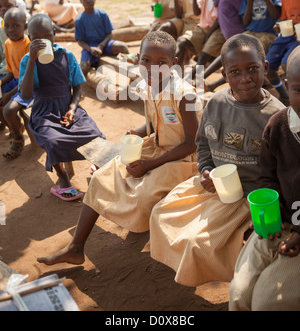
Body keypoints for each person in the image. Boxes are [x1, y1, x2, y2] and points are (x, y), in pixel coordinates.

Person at [36, 30, 202, 265]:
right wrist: (138, 131)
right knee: (102, 177)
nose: (152, 68)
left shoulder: (184, 95)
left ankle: (151, 234)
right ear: (137, 59)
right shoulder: (148, 87)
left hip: (184, 160)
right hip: (157, 148)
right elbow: (156, 123)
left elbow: (191, 142)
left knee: (143, 194)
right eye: (146, 61)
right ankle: (75, 247)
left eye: (161, 63)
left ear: (174, 64)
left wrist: (149, 165)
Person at [149, 34, 284, 288]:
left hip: (247, 198)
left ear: (265, 68)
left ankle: (240, 280)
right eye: (235, 72)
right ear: (225, 74)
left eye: (253, 69)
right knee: (160, 214)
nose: (245, 79)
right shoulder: (216, 103)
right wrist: (206, 170)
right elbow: (202, 145)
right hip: (213, 187)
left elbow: (282, 172)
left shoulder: (275, 116)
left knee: (197, 242)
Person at [229, 45, 300, 311]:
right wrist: (267, 216)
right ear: (285, 84)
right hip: (279, 224)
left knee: (267, 303)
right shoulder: (278, 126)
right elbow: (267, 176)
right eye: (299, 90)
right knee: (239, 294)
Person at [19, 13, 105, 200]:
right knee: (52, 141)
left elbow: (77, 87)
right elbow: (25, 95)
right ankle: (63, 179)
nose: (43, 42)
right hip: (44, 111)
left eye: (47, 36)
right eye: (36, 39)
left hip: (67, 106)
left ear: (54, 34)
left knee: (93, 132)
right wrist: (33, 60)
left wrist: (72, 109)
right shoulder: (27, 60)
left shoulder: (66, 55)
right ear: (29, 39)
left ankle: (97, 163)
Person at [202, 0, 246, 92]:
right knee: (239, 64)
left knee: (227, 57)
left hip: (227, 32)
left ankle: (201, 80)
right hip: (237, 32)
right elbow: (245, 16)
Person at [179, 0, 225, 78]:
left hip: (217, 30)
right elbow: (197, 12)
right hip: (204, 27)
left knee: (203, 56)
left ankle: (190, 79)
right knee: (182, 41)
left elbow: (220, 18)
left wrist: (208, 34)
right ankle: (175, 72)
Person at [265, 0, 300, 105]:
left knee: (288, 64)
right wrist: (279, 26)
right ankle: (284, 94)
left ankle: (295, 99)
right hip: (286, 36)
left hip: (298, 40)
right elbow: (284, 19)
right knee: (268, 66)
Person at [75, 0, 129, 76]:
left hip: (104, 45)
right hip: (89, 49)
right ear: (81, 1)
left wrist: (101, 46)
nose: (88, 0)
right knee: (84, 67)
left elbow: (109, 34)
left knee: (122, 46)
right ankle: (82, 85)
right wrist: (90, 49)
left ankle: (130, 73)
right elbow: (80, 41)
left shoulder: (102, 14)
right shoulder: (79, 20)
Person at [0, 8, 31, 159]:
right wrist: (1, 82)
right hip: (16, 82)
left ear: (25, 26)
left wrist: (8, 94)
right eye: (7, 26)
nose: (11, 30)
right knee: (1, 104)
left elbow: (27, 78)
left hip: (29, 86)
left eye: (16, 26)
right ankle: (16, 127)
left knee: (8, 110)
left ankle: (18, 140)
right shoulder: (7, 43)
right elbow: (12, 72)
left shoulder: (28, 45)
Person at [159, 0, 203, 66]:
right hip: (182, 20)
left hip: (197, 22)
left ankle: (176, 69)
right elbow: (178, 15)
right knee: (165, 27)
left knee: (182, 41)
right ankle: (157, 56)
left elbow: (198, 13)